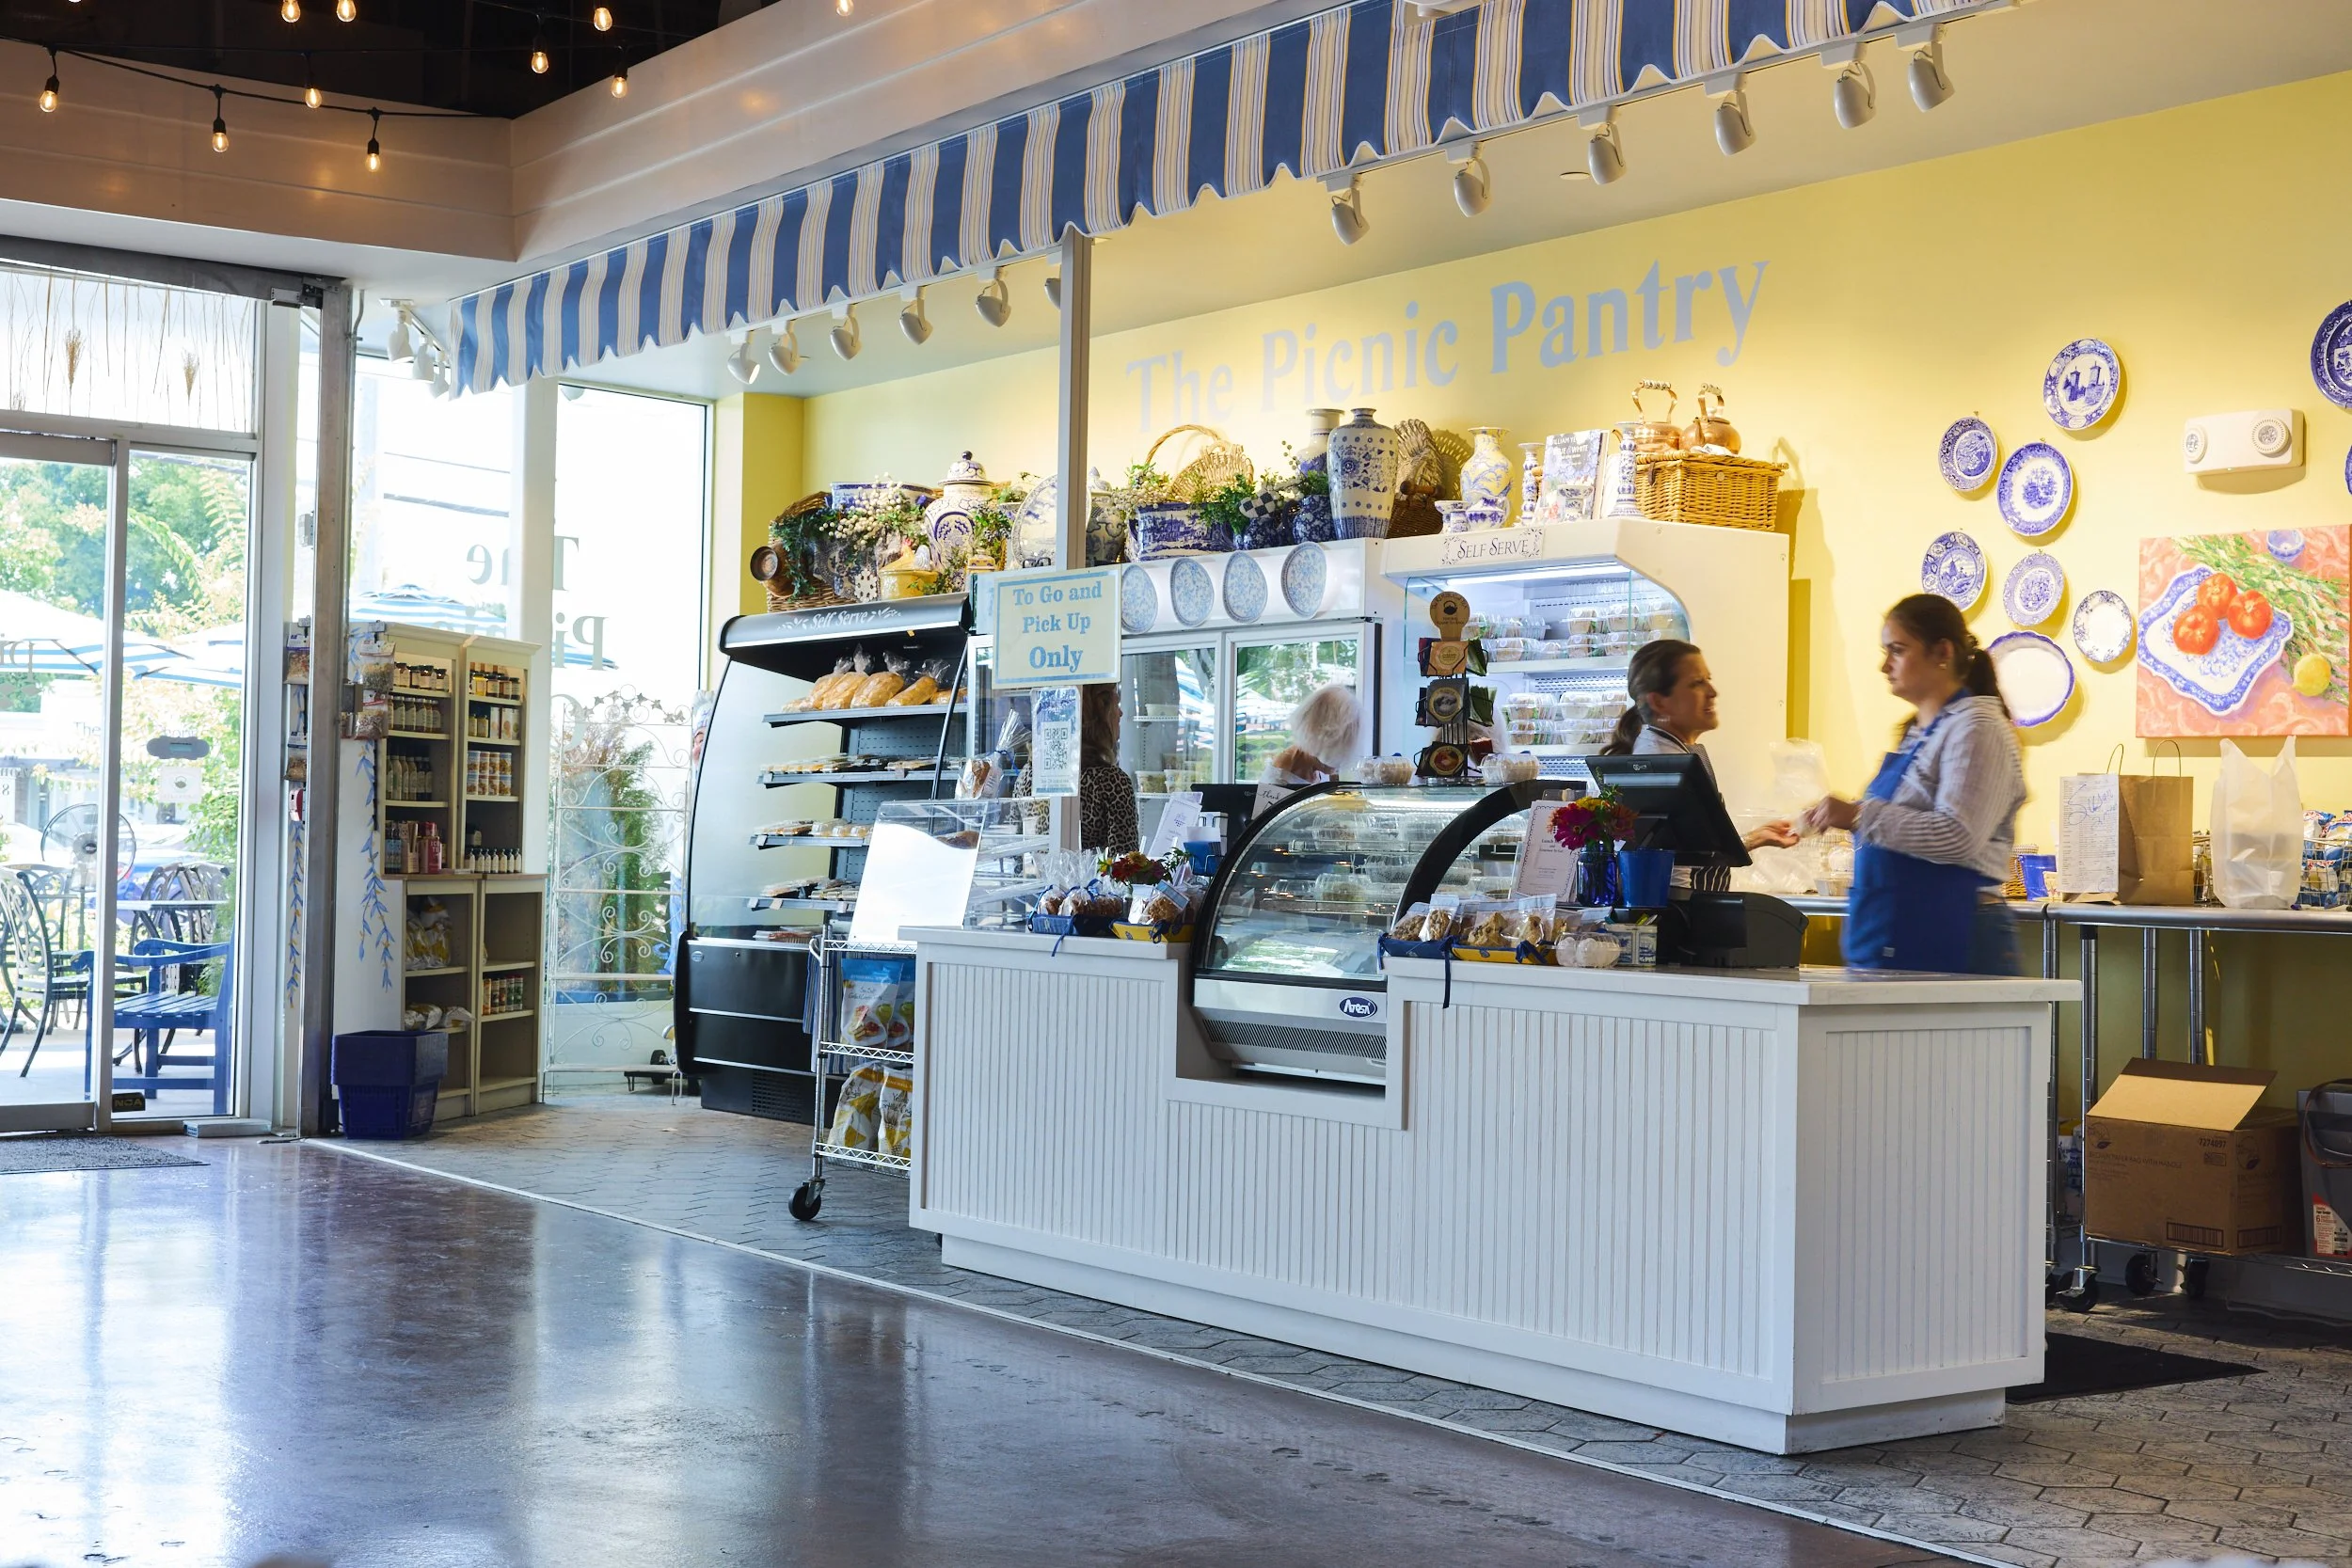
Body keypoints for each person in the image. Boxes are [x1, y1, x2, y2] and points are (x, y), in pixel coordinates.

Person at [1800, 593, 2027, 975]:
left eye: (1897, 650)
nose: (1883, 665)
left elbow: (1957, 835)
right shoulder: (1918, 732)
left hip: (1953, 934)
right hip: (1898, 934)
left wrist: (1859, 816)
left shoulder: (1978, 729)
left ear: (1942, 652)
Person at [1599, 638, 1798, 852]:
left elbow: (1695, 847)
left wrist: (1756, 837)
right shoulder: (1665, 767)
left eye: (1708, 679)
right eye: (1697, 683)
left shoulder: (1672, 754)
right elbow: (1677, 869)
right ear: (1659, 702)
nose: (1712, 692)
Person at [1254, 682, 1366, 815]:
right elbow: (1265, 832)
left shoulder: (1319, 766)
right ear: (1319, 735)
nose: (1340, 762)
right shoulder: (1278, 782)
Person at [1076, 681, 1139, 854]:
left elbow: (1019, 863)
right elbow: (1124, 865)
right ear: (1100, 714)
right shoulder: (1113, 782)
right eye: (1115, 704)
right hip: (1093, 882)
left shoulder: (1028, 776)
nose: (1120, 713)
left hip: (1037, 882)